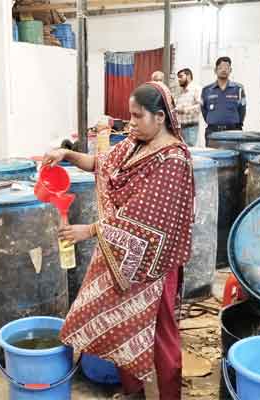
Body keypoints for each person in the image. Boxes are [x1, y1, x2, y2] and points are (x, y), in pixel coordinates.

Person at [44, 81, 195, 400]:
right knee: (123, 328)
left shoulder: (174, 161)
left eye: (138, 116)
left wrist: (90, 230)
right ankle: (133, 393)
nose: (131, 123)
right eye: (130, 116)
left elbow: (147, 218)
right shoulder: (134, 144)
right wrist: (66, 154)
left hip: (156, 266)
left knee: (162, 337)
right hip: (123, 258)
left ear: (160, 117)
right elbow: (101, 165)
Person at [201, 56, 246, 145]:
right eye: (220, 67)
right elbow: (204, 110)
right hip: (213, 132)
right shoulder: (206, 90)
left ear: (230, 70)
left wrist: (236, 125)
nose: (224, 70)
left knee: (233, 153)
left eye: (226, 67)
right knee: (213, 153)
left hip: (233, 132)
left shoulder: (238, 89)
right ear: (215, 70)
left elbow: (242, 110)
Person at [173, 68, 201, 146]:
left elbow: (200, 107)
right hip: (179, 128)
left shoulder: (196, 89)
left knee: (190, 150)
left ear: (188, 76)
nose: (179, 79)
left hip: (191, 128)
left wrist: (184, 110)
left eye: (181, 76)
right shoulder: (179, 91)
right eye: (178, 77)